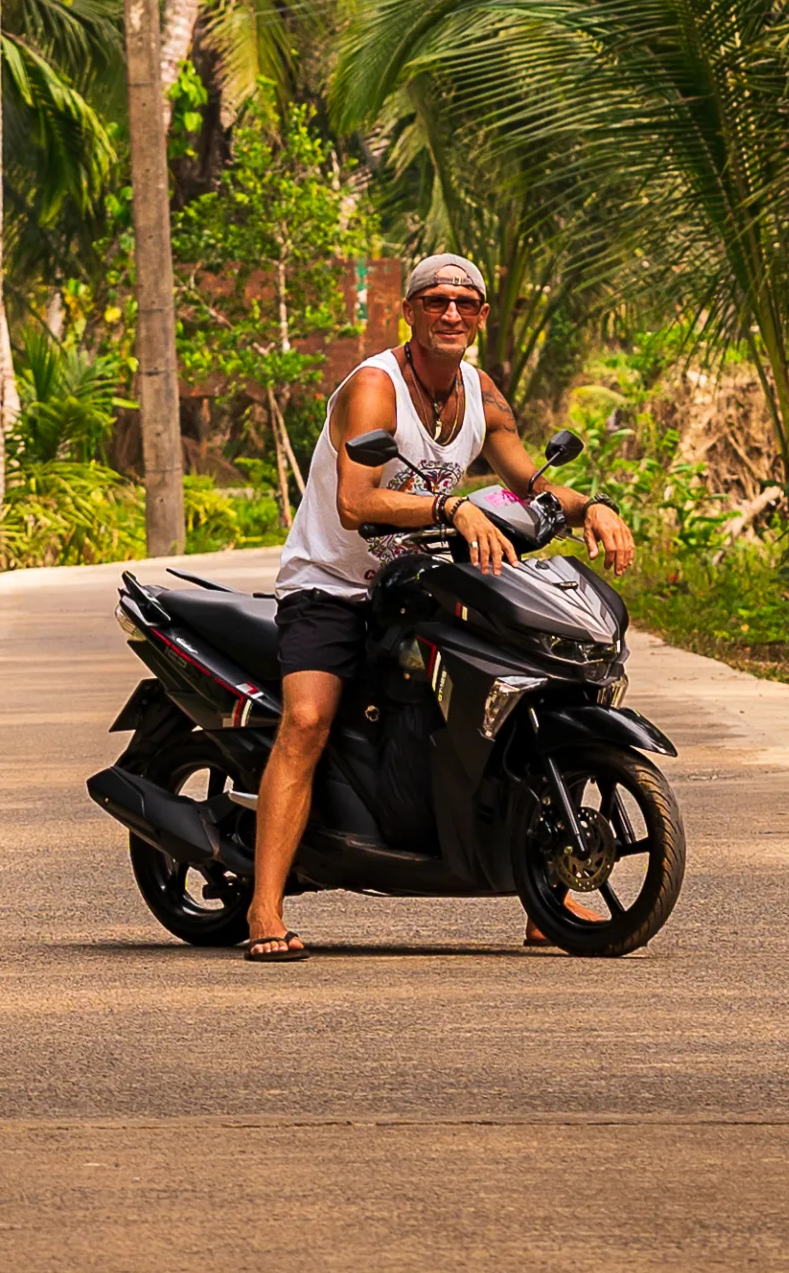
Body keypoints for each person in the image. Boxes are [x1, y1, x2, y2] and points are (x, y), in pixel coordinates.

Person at [244, 252, 636, 962]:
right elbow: (355, 502)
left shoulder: (480, 392)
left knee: (512, 701)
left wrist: (593, 508)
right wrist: (452, 507)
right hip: (333, 584)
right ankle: (264, 907)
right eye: (434, 301)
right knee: (306, 721)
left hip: (419, 584)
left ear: (480, 316)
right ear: (409, 312)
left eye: (464, 302)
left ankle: (543, 896)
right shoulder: (376, 387)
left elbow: (528, 481)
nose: (450, 313)